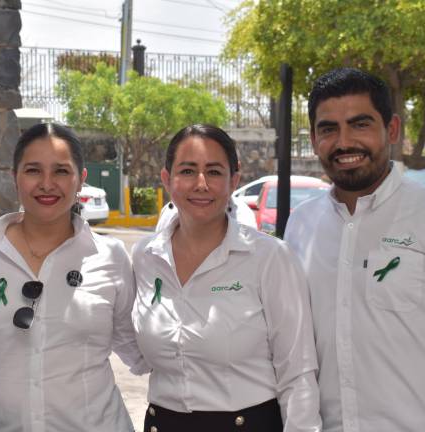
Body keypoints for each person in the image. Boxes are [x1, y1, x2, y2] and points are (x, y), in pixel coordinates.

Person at [284, 67, 425, 432]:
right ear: (313, 138)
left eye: (360, 124)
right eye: (329, 129)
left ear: (391, 130)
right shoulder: (301, 225)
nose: (344, 142)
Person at [0, 123, 147, 432]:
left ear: (80, 180)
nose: (47, 183)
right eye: (33, 171)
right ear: (15, 178)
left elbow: (137, 347)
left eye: (61, 171)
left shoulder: (110, 256)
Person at [133, 124, 321, 432]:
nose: (201, 184)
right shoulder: (145, 257)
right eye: (188, 170)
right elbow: (131, 346)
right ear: (167, 179)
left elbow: (297, 372)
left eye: (215, 172)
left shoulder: (269, 258)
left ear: (234, 180)